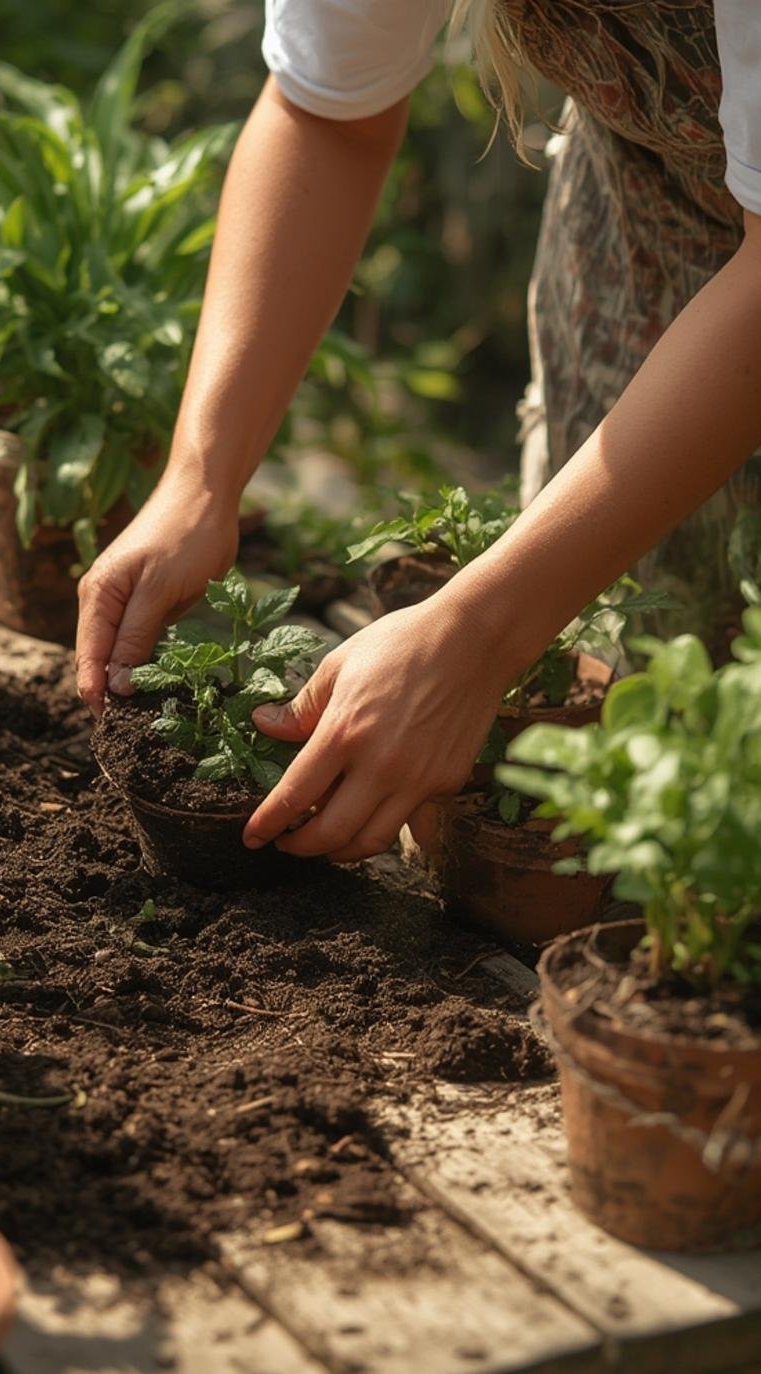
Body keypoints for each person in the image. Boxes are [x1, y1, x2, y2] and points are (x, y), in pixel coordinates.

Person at [76, 0, 761, 864]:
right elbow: (326, 110)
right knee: (638, 727)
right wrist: (198, 480)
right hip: (643, 200)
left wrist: (476, 638)